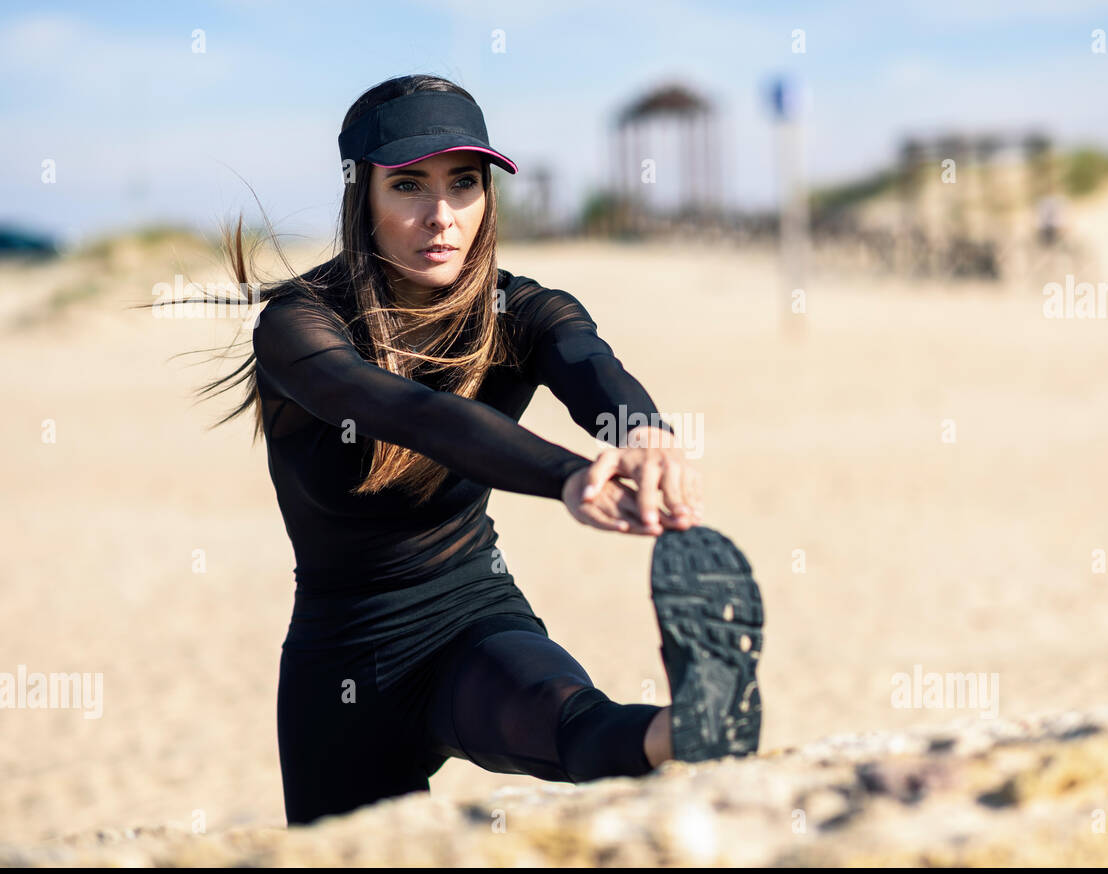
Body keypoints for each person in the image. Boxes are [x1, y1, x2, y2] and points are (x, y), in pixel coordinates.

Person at [184, 74, 763, 826]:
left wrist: (642, 434)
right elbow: (412, 414)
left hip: (471, 616)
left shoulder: (517, 309)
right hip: (340, 666)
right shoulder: (301, 326)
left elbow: (587, 361)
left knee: (565, 718)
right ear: (362, 198)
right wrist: (569, 477)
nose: (441, 216)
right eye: (408, 187)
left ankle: (685, 727)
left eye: (464, 184)